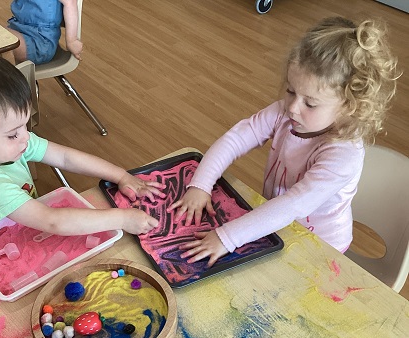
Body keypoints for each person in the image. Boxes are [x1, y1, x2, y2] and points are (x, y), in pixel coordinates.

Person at [168, 16, 400, 267]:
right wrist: (201, 185)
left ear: (350, 106)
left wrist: (226, 237)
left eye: (310, 103)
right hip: (273, 226)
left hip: (320, 247)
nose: (293, 108)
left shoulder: (343, 154)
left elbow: (291, 206)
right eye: (290, 91)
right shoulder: (284, 112)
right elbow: (235, 139)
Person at [0, 46, 164, 243]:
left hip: (17, 232)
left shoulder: (2, 145)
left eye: (25, 125)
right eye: (13, 133)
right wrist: (122, 219)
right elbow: (53, 221)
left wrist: (120, 175)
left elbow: (64, 158)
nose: (25, 137)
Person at [7, 0, 83, 64]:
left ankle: (8, 79)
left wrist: (72, 40)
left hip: (40, 41)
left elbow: (70, 2)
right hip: (18, 27)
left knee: (2, 43)